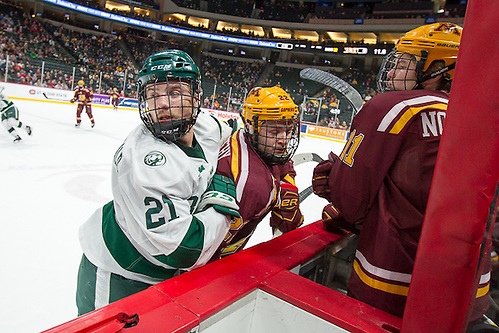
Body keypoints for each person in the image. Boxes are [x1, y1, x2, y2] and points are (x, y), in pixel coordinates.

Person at [312, 23, 491, 326]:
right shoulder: (484, 119)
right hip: (471, 293)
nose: (393, 73)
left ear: (440, 69)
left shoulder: (395, 107)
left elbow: (350, 200)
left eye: (406, 64)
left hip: (392, 287)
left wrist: (333, 180)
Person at [76, 50, 238, 315]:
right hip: (120, 273)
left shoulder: (207, 127)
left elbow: (234, 131)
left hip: (163, 273)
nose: (162, 103)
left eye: (174, 92)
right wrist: (220, 208)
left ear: (196, 97)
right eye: (153, 95)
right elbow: (184, 249)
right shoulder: (146, 164)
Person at [209, 86, 303, 260]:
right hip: (214, 264)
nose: (284, 140)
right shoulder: (250, 184)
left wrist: (288, 183)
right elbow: (215, 246)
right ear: (253, 128)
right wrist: (279, 197)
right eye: (275, 132)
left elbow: (283, 164)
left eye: (289, 131)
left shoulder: (250, 142)